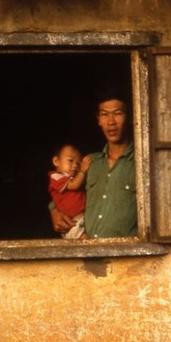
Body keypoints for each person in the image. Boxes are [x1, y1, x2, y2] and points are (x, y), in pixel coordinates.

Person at [50, 96, 137, 238]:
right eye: (104, 114)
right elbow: (64, 190)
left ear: (130, 117)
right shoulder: (89, 162)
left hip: (125, 255)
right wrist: (54, 211)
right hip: (88, 253)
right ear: (98, 120)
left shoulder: (140, 162)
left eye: (118, 113)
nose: (111, 122)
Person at [48, 143, 86, 240]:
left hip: (83, 218)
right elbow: (73, 186)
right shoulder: (57, 177)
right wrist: (82, 171)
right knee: (86, 242)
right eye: (70, 161)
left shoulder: (73, 177)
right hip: (71, 223)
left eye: (78, 163)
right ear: (56, 161)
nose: (74, 166)